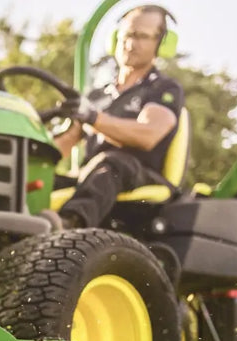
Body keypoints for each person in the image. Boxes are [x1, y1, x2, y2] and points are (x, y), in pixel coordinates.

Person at [54, 4, 185, 228]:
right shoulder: (96, 96)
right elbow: (64, 144)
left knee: (111, 163)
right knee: (38, 180)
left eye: (142, 37)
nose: (131, 44)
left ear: (161, 44)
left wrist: (94, 118)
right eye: (126, 35)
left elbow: (147, 135)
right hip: (91, 178)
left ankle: (69, 227)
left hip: (137, 175)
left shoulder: (163, 89)